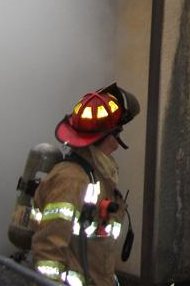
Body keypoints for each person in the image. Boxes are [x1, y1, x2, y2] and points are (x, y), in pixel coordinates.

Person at [31, 83, 140, 286]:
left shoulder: (98, 175)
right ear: (108, 137)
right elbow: (49, 252)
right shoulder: (72, 180)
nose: (117, 143)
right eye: (117, 133)